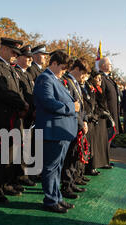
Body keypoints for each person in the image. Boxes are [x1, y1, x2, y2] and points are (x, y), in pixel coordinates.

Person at [34, 51, 78, 213]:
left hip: (61, 131)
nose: (64, 71)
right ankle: (51, 200)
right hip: (53, 131)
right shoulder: (44, 78)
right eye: (62, 67)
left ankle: (57, 197)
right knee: (51, 167)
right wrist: (71, 107)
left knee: (57, 167)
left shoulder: (56, 79)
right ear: (53, 63)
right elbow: (48, 102)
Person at [0, 37, 29, 203]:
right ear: (2, 49)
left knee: (11, 154)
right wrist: (22, 103)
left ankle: (6, 184)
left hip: (14, 117)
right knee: (1, 156)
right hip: (2, 118)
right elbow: (2, 92)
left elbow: (17, 91)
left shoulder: (10, 68)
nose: (15, 55)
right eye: (12, 52)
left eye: (17, 53)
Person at [61, 58, 90, 199]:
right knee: (69, 157)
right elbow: (73, 106)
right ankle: (66, 185)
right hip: (71, 124)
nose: (84, 77)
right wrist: (80, 123)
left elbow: (82, 107)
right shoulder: (66, 81)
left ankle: (71, 182)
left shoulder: (76, 83)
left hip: (78, 124)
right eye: (83, 73)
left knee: (74, 157)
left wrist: (84, 121)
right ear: (77, 69)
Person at [14, 45, 37, 187]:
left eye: (31, 57)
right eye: (27, 57)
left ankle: (24, 173)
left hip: (30, 116)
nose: (30, 59)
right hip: (21, 115)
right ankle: (18, 176)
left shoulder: (28, 74)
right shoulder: (15, 72)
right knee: (19, 148)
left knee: (27, 147)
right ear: (19, 57)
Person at [86, 71, 110, 172]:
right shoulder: (90, 89)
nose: (100, 80)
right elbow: (93, 104)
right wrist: (100, 112)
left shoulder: (100, 89)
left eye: (100, 78)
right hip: (96, 118)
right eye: (97, 78)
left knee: (102, 142)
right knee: (95, 143)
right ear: (92, 78)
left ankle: (103, 162)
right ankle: (93, 165)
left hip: (102, 119)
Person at [99, 57, 121, 162]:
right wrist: (106, 112)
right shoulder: (101, 78)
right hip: (107, 113)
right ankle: (104, 160)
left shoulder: (108, 78)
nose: (111, 66)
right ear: (103, 66)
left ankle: (106, 159)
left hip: (113, 112)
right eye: (110, 64)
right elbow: (101, 97)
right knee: (105, 138)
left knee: (110, 137)